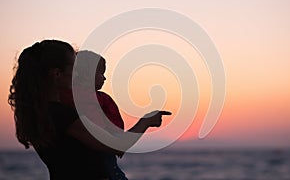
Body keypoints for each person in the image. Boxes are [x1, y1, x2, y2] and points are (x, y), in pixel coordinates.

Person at [8, 40, 171, 180]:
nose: (78, 74)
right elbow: (117, 146)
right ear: (57, 74)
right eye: (74, 67)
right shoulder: (63, 115)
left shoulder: (43, 112)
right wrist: (146, 121)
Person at [60, 50, 127, 179]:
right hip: (102, 146)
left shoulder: (66, 95)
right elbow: (110, 125)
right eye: (101, 73)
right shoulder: (99, 98)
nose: (104, 78)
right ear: (88, 74)